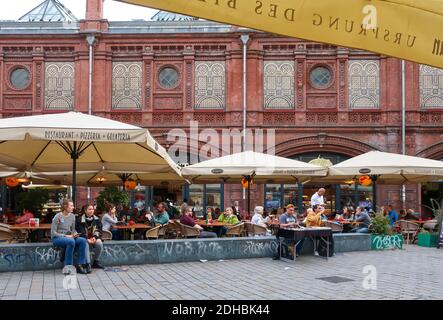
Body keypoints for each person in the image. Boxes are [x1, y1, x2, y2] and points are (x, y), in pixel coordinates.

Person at [51, 199, 89, 274]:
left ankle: (80, 265)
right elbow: (53, 233)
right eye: (71, 206)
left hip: (69, 237)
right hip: (57, 238)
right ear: (65, 207)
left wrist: (75, 233)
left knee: (82, 240)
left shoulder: (72, 216)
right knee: (71, 241)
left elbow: (73, 229)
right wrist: (65, 236)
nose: (73, 207)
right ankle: (68, 267)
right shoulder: (57, 216)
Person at [76, 204, 104, 269]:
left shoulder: (97, 219)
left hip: (94, 238)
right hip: (84, 238)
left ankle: (96, 261)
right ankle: (87, 264)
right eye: (89, 209)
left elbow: (99, 230)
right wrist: (87, 239)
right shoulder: (80, 220)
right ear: (85, 211)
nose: (91, 211)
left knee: (99, 243)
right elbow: (80, 231)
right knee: (85, 243)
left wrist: (95, 237)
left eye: (92, 209)